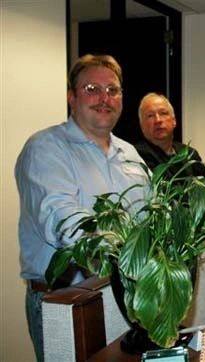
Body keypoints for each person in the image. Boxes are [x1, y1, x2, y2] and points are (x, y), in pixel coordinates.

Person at [14, 54, 149, 361]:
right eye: (92, 88)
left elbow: (149, 216)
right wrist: (126, 250)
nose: (105, 98)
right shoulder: (45, 148)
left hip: (128, 295)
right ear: (71, 98)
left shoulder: (129, 153)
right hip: (68, 301)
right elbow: (61, 222)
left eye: (113, 90)